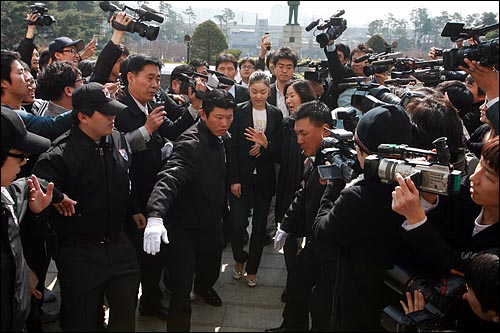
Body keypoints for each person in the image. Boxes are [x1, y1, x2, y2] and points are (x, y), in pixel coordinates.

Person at [31, 82, 140, 331]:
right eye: (106, 113)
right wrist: (51, 203)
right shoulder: (58, 156)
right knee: (81, 321)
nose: (113, 118)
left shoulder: (117, 139)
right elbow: (38, 206)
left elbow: (125, 181)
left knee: (124, 316)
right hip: (80, 254)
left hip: (119, 246)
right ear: (82, 116)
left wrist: (135, 209)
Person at [143, 89, 236, 332]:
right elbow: (169, 177)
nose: (224, 123)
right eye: (218, 117)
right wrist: (155, 216)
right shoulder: (190, 143)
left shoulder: (223, 138)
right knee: (182, 289)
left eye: (229, 117)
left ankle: (205, 287)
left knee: (210, 270)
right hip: (184, 226)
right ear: (203, 115)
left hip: (212, 222)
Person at [313, 104, 412, 331]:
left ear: (364, 151)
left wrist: (333, 185)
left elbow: (323, 231)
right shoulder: (411, 186)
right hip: (396, 296)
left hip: (358, 298)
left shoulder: (357, 195)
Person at [392, 136, 499, 331]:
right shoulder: (467, 190)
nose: (475, 177)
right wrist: (430, 197)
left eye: (489, 176)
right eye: (480, 165)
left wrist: (417, 219)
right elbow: (445, 226)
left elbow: (454, 262)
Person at [266, 100, 341, 332]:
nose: (298, 140)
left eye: (303, 134)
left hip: (335, 249)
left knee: (321, 305)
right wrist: (286, 225)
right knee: (297, 281)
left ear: (325, 130)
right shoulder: (312, 158)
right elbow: (303, 192)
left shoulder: (341, 164)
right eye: (296, 133)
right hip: (314, 242)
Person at [1, 108, 75, 332]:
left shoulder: (7, 194)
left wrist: (22, 273)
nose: (24, 163)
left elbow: (25, 186)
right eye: (20, 155)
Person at [228, 71, 283, 287]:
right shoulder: (239, 111)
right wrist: (233, 179)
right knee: (238, 224)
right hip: (241, 177)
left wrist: (265, 145)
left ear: (269, 91)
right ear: (248, 89)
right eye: (254, 91)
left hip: (264, 178)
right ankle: (239, 259)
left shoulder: (276, 114)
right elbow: (232, 147)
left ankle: (253, 269)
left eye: (262, 92)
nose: (258, 96)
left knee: (260, 228)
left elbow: (279, 152)